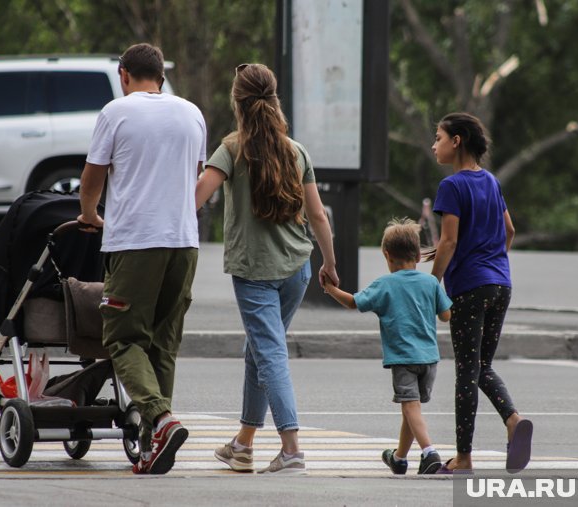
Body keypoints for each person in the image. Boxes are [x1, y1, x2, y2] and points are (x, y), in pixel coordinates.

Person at [195, 63, 338, 475]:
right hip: (298, 269)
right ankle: (243, 444)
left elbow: (197, 197)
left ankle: (291, 447)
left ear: (237, 102)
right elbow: (318, 216)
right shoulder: (296, 150)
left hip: (255, 273)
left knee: (269, 351)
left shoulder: (232, 148)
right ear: (274, 100)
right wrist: (329, 263)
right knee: (258, 351)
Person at [77, 43, 206, 475]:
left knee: (122, 338)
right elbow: (195, 173)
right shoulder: (192, 113)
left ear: (123, 74)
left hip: (135, 242)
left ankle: (161, 418)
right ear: (162, 77)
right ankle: (153, 445)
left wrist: (90, 214)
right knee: (162, 346)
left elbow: (93, 175)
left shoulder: (116, 112)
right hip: (184, 243)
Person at [429, 112, 532, 473]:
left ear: (457, 141)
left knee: (466, 372)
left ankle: (464, 458)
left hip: (470, 287)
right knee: (480, 366)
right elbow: (509, 230)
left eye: (439, 138)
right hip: (500, 283)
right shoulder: (490, 181)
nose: (434, 145)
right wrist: (491, 260)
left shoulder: (452, 187)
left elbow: (449, 241)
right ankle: (513, 421)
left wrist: (431, 285)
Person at [323, 218, 452, 475]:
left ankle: (429, 454)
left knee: (409, 405)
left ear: (387, 255)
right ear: (417, 255)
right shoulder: (429, 283)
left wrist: (330, 289)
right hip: (430, 359)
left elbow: (353, 303)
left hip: (403, 358)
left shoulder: (385, 284)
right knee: (411, 408)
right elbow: (446, 316)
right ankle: (399, 458)